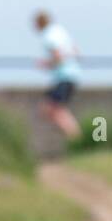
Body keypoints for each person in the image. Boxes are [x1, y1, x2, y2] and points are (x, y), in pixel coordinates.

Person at [33, 10, 81, 140]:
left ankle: (76, 137)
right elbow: (76, 51)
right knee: (50, 109)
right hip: (72, 75)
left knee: (53, 109)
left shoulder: (48, 36)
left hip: (64, 76)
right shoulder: (60, 31)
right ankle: (73, 137)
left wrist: (45, 64)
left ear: (39, 23)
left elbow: (58, 57)